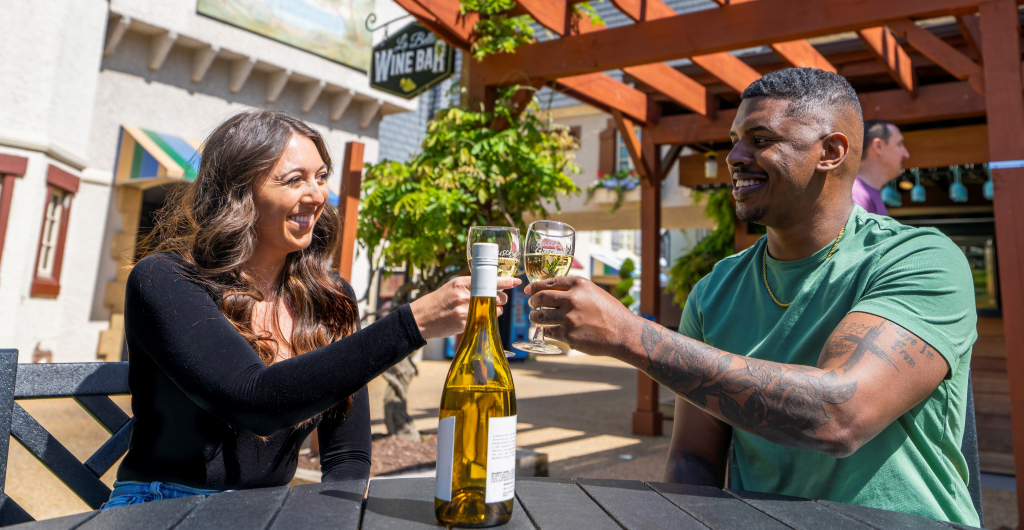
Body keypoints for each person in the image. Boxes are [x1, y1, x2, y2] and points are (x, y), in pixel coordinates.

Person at [525, 68, 978, 525]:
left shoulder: (919, 259)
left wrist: (630, 336)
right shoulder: (715, 291)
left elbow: (842, 415)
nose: (735, 157)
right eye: (735, 140)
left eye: (761, 139)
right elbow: (694, 458)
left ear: (831, 152)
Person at [104, 110, 518, 508]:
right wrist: (413, 324)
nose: (317, 195)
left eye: (321, 177)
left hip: (267, 512)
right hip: (163, 506)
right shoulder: (165, 279)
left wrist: (336, 515)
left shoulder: (329, 298)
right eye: (294, 179)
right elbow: (255, 402)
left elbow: (348, 455)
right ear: (238, 192)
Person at [852, 119, 910, 215]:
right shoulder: (856, 196)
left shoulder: (864, 194)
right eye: (899, 144)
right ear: (878, 146)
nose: (906, 154)